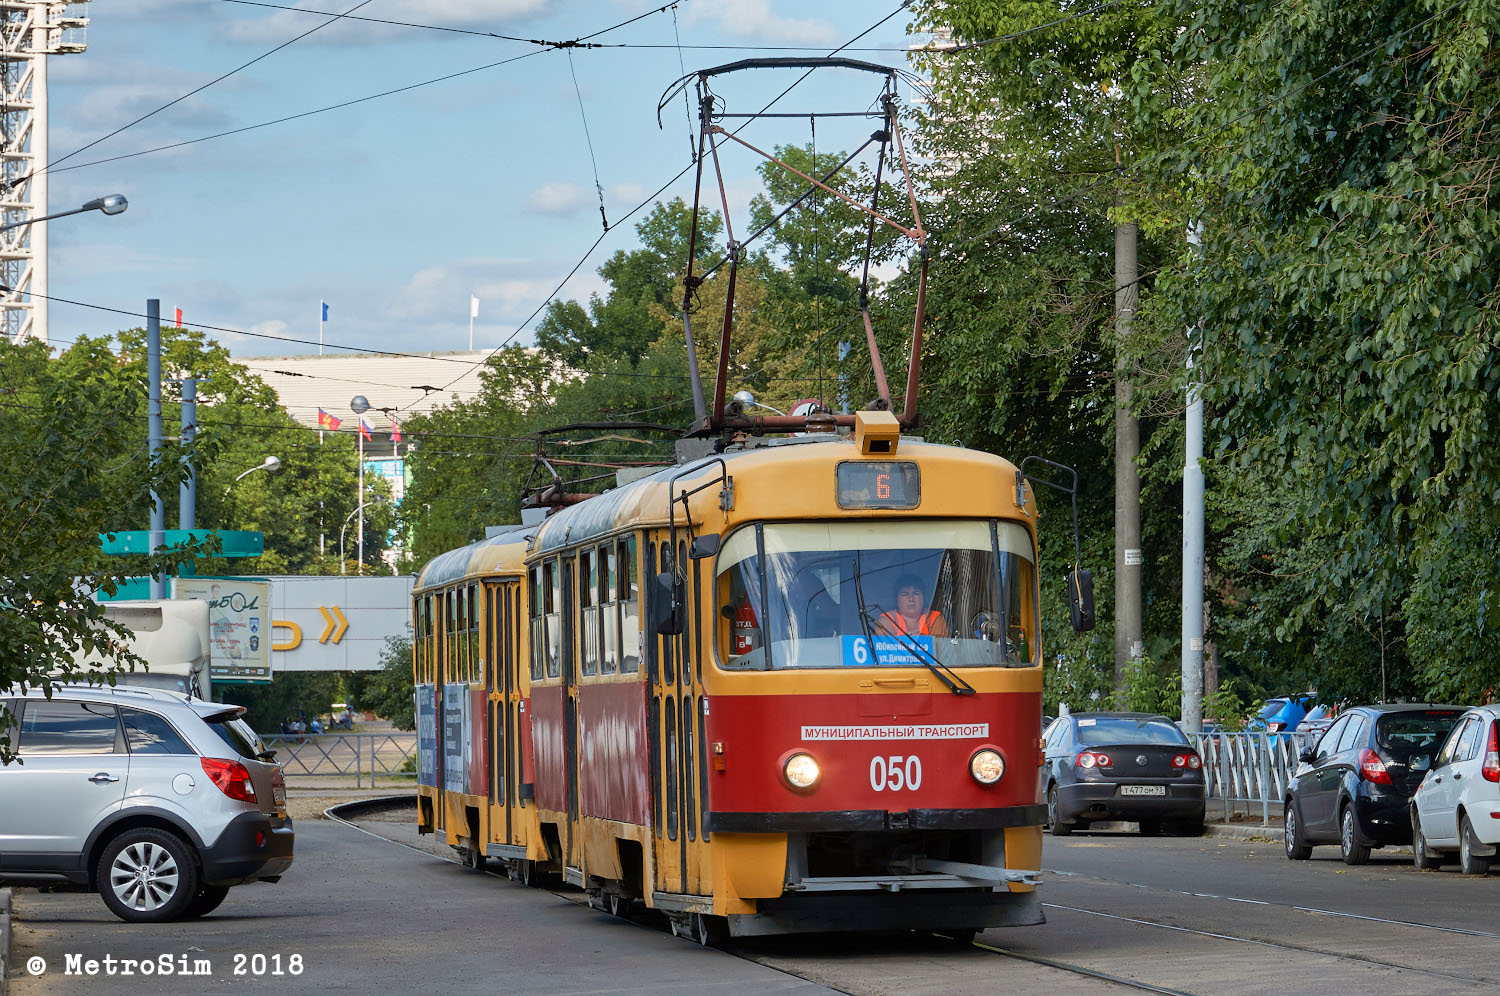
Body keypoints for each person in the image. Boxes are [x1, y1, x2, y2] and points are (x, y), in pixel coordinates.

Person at [876, 574, 948, 638]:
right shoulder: (887, 620)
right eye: (905, 594)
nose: (911, 599)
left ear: (923, 597)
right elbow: (883, 650)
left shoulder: (934, 619)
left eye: (916, 593)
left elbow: (939, 649)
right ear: (896, 599)